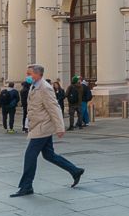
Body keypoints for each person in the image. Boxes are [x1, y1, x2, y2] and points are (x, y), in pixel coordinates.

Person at [10, 64, 84, 197]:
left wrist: (60, 127)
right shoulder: (34, 86)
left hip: (42, 127)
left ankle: (26, 186)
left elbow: (54, 108)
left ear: (38, 74)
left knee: (30, 155)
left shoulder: (45, 88)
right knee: (49, 155)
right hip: (38, 125)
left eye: (29, 74)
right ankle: (75, 171)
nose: (27, 76)